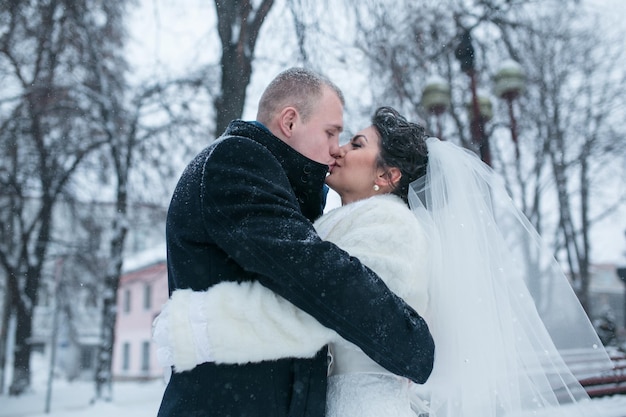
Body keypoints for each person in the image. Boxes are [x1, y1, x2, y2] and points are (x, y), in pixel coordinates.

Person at [154, 106, 613, 417]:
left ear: (387, 176)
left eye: (354, 143)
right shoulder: (351, 220)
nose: (337, 150)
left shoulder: (390, 227)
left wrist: (199, 327)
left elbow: (327, 309)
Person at [156, 69, 435, 417]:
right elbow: (316, 274)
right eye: (331, 132)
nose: (336, 148)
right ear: (290, 122)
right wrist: (412, 343)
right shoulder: (238, 161)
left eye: (349, 140)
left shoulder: (286, 187)